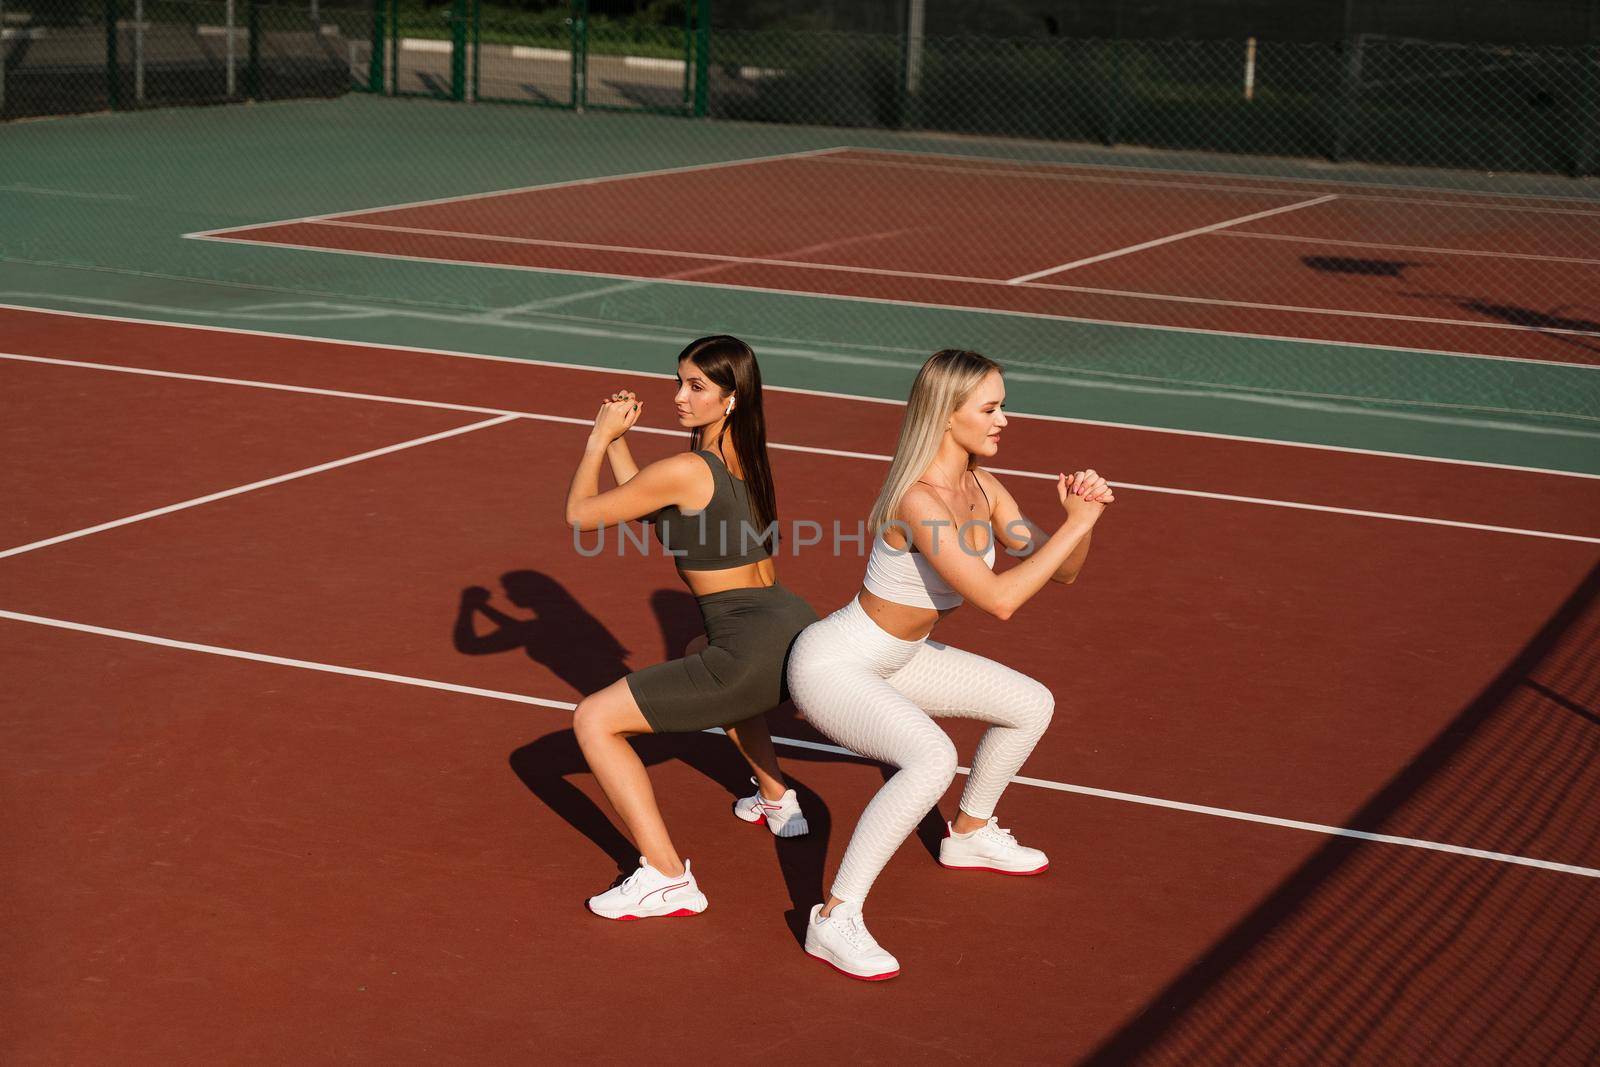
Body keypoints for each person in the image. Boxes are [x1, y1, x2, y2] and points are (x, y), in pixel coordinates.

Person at [785, 348, 1113, 979]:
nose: (1004, 421)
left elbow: (1063, 570)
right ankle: (833, 919)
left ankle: (967, 834)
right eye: (990, 408)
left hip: (901, 656)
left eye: (1002, 407)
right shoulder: (919, 501)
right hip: (836, 662)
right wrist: (1079, 522)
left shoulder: (985, 489)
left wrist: (1081, 523)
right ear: (946, 414)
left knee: (1030, 703)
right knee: (931, 757)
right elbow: (1001, 600)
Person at [564, 335, 818, 920]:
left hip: (750, 651)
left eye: (696, 386)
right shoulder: (746, 458)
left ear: (730, 399)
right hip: (789, 629)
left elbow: (581, 515)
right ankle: (777, 799)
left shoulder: (685, 468)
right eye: (679, 380)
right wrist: (626, 445)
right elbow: (662, 514)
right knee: (698, 648)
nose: (679, 396)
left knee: (593, 720)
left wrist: (600, 438)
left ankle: (665, 876)